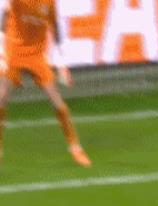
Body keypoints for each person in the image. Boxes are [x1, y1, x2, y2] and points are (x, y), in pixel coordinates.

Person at [0, 0, 91, 167]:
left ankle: (75, 148)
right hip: (14, 50)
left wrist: (61, 62)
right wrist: (1, 48)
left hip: (37, 54)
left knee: (57, 100)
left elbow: (55, 26)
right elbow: (5, 14)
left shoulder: (49, 3)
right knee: (2, 97)